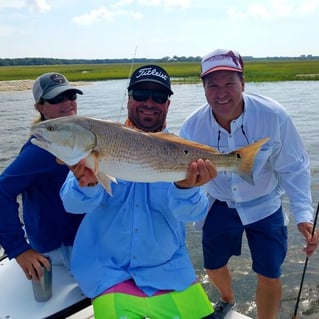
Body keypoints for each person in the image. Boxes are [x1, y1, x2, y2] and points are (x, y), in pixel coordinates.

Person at [60, 65, 218, 319]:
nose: (149, 103)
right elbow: (72, 204)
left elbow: (193, 212)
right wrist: (86, 184)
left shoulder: (182, 151)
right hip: (109, 272)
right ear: (129, 98)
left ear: (167, 104)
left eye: (158, 97)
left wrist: (185, 188)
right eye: (142, 93)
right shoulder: (99, 141)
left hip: (168, 270)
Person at [179, 48, 319, 319]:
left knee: (270, 270)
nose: (222, 93)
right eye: (213, 85)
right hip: (218, 202)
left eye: (230, 84)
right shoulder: (192, 126)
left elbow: (294, 166)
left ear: (243, 83)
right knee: (213, 264)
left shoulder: (273, 115)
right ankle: (227, 299)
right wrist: (188, 186)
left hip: (265, 204)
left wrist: (303, 215)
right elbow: (181, 177)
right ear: (203, 89)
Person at [0, 72, 85, 281]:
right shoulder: (39, 151)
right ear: (40, 106)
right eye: (56, 99)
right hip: (64, 246)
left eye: (71, 96)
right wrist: (19, 249)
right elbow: (2, 190)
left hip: (82, 234)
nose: (67, 104)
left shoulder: (79, 136)